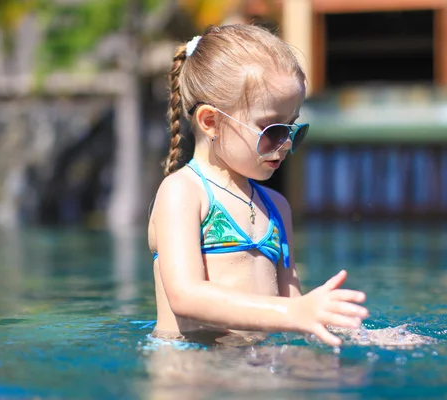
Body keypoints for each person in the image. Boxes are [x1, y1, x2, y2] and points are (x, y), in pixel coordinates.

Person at [147, 24, 368, 348]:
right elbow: (186, 296)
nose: (285, 143)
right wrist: (292, 312)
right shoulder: (183, 192)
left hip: (257, 363)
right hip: (190, 370)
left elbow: (293, 308)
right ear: (211, 122)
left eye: (293, 129)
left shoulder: (277, 207)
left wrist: (354, 334)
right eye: (273, 130)